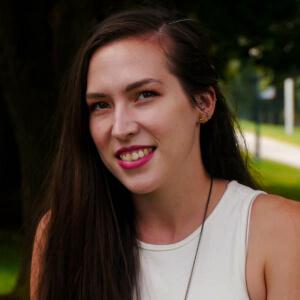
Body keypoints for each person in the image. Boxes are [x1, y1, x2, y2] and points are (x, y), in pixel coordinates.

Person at [30, 7, 300, 300]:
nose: (120, 128)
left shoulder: (281, 233)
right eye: (101, 105)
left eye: (145, 95)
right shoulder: (60, 235)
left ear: (203, 103)